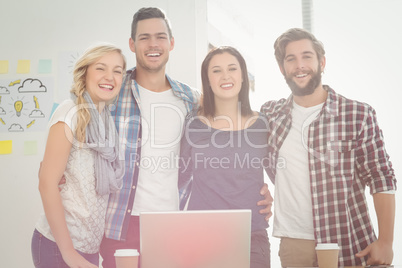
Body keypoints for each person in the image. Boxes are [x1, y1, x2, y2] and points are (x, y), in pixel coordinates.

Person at [99, 7, 273, 268]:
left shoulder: (188, 99)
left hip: (175, 224)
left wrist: (263, 194)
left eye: (160, 36)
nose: (153, 43)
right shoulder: (112, 91)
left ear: (171, 42)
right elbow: (80, 128)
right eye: (144, 37)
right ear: (132, 44)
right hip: (121, 224)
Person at [260, 27, 397, 267]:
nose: (299, 65)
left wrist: (385, 242)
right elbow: (255, 159)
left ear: (322, 62)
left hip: (349, 238)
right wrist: (260, 190)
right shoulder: (270, 114)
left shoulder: (357, 114)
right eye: (290, 59)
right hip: (294, 243)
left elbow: (380, 177)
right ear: (282, 69)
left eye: (307, 56)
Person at [31, 44, 126, 268]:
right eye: (101, 68)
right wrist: (69, 253)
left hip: (88, 248)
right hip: (58, 247)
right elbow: (47, 183)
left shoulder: (105, 123)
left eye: (117, 71)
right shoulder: (70, 112)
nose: (109, 77)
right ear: (85, 73)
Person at [179, 46, 271, 268]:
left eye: (232, 68)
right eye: (216, 71)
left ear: (242, 76)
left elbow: (281, 176)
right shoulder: (194, 125)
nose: (226, 76)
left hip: (252, 236)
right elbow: (177, 181)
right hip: (201, 235)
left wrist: (269, 195)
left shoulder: (263, 124)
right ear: (207, 80)